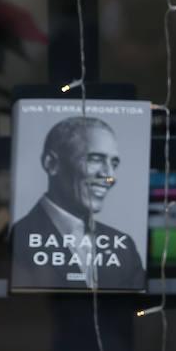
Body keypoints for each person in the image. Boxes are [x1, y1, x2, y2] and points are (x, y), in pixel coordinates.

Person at [11, 116, 145, 290]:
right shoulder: (18, 239)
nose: (110, 176)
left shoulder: (124, 247)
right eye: (95, 159)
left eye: (114, 163)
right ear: (51, 164)